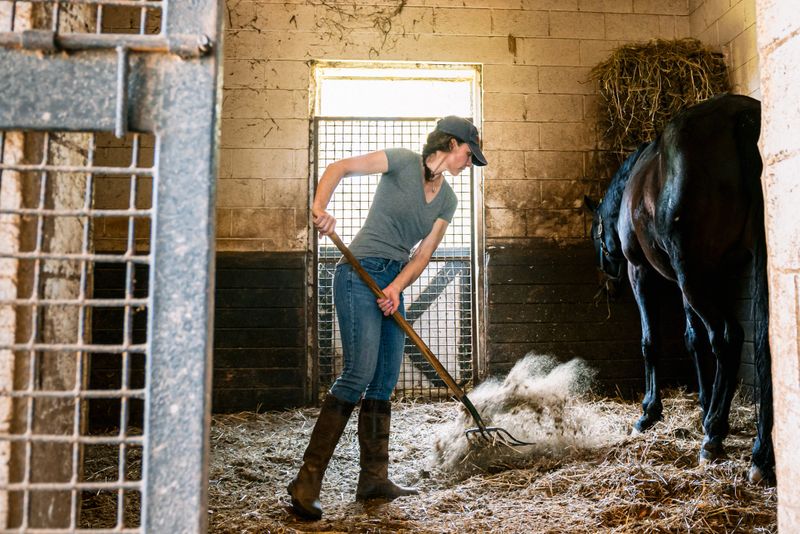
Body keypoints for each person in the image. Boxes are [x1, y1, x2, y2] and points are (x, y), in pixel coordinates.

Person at [287, 116, 487, 519]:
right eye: (468, 154)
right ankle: (306, 480)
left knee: (384, 379)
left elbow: (423, 254)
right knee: (359, 372)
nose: (469, 163)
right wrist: (319, 208)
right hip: (357, 273)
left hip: (393, 282)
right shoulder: (399, 161)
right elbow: (338, 168)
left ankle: (373, 479)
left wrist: (397, 288)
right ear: (451, 144)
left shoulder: (448, 199)